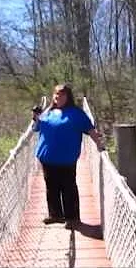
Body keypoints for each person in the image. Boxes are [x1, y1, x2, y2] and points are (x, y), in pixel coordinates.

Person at [31, 83, 105, 230]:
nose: (58, 97)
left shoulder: (77, 114)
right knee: (51, 187)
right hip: (47, 157)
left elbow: (90, 130)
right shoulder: (47, 112)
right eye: (56, 94)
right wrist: (36, 118)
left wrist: (99, 145)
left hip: (66, 158)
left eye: (62, 94)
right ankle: (55, 215)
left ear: (68, 96)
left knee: (68, 187)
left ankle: (72, 218)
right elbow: (36, 129)